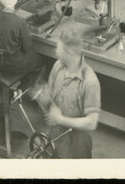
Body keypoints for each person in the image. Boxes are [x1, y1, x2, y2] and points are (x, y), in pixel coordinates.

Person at [32, 25, 101, 158]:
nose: (55, 51)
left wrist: (61, 119)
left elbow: (92, 122)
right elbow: (50, 96)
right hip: (55, 137)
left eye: (58, 48)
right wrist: (43, 97)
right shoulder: (58, 66)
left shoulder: (89, 81)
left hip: (77, 144)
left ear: (69, 52)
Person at [0, 0, 44, 82]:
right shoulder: (19, 22)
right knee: (40, 62)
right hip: (14, 66)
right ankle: (23, 88)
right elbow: (28, 48)